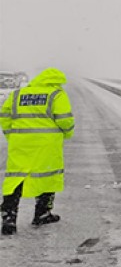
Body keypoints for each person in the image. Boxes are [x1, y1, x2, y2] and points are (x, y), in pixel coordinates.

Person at [1, 68, 75, 235]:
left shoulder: (18, 94)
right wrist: (67, 133)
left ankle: (9, 218)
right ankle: (42, 213)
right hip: (46, 144)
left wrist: (12, 136)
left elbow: (5, 116)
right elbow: (65, 120)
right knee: (47, 176)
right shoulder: (56, 94)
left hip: (20, 143)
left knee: (15, 178)